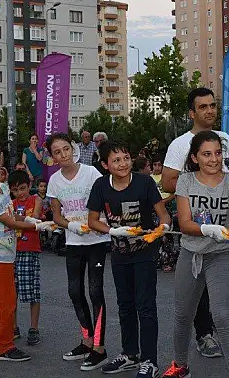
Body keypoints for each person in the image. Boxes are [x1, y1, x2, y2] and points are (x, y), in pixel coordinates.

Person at [161, 130, 229, 378]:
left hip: (221, 256)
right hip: (191, 255)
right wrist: (208, 229)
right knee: (182, 315)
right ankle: (180, 366)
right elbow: (185, 222)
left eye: (218, 153)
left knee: (223, 318)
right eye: (206, 154)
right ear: (194, 158)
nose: (213, 159)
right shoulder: (186, 182)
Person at [161, 87, 229, 360]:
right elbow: (167, 181)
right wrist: (199, 178)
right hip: (198, 224)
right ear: (191, 113)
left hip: (227, 221)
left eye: (212, 105)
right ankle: (204, 332)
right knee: (197, 287)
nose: (209, 111)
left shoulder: (225, 138)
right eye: (203, 107)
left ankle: (212, 321)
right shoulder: (181, 144)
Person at [87, 140, 171, 378]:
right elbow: (92, 220)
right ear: (105, 165)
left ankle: (150, 361)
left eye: (125, 157)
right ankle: (130, 354)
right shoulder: (101, 185)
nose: (122, 163)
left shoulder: (144, 182)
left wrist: (160, 229)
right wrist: (112, 231)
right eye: (116, 160)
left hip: (144, 253)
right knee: (125, 306)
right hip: (119, 254)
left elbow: (164, 216)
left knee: (145, 307)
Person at [0, 153, 53, 361]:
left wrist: (29, 218)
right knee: (6, 301)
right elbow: (10, 223)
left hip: (6, 253)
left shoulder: (2, 188)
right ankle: (4, 347)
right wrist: (36, 225)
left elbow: (13, 215)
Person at [46, 133, 111, 370]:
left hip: (96, 240)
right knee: (75, 291)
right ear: (52, 157)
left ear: (73, 148)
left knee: (95, 291)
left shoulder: (91, 173)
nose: (63, 155)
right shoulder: (54, 181)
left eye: (66, 149)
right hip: (73, 242)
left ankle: (99, 347)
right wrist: (70, 225)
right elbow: (56, 216)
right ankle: (86, 340)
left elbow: (105, 202)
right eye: (57, 152)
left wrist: (98, 222)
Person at [8, 170, 44, 346]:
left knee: (32, 291)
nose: (20, 193)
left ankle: (34, 327)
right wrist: (23, 221)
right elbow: (10, 220)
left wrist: (17, 219)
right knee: (11, 292)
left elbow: (35, 220)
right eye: (15, 190)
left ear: (29, 186)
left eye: (23, 188)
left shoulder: (36, 199)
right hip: (12, 250)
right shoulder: (11, 203)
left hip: (30, 250)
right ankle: (13, 327)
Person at [151, 154, 178, 272]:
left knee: (166, 235)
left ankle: (169, 260)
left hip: (167, 207)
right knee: (155, 235)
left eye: (159, 165)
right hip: (153, 208)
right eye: (154, 165)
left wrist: (165, 201)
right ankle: (158, 260)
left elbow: (175, 192)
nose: (157, 167)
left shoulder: (166, 177)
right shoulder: (149, 178)